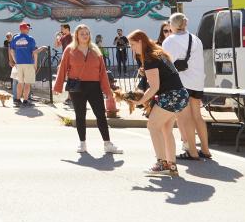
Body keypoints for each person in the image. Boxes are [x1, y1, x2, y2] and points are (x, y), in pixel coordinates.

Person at [54, 24, 121, 155]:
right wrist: (58, 86)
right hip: (76, 87)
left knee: (100, 115)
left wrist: (108, 92)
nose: (85, 35)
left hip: (94, 86)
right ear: (76, 35)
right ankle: (82, 143)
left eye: (87, 33)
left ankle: (107, 143)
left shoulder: (96, 50)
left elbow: (102, 73)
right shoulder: (70, 49)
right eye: (82, 33)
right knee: (80, 115)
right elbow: (62, 68)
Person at [130, 30, 188, 179]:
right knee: (165, 130)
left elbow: (154, 87)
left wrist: (139, 102)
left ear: (140, 42)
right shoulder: (158, 53)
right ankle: (172, 166)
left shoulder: (149, 58)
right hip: (179, 94)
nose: (132, 48)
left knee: (152, 126)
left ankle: (161, 164)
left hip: (170, 96)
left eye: (133, 44)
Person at [162, 13, 210, 162]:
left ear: (172, 25)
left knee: (185, 118)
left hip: (182, 83)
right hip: (197, 81)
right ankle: (205, 150)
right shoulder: (195, 39)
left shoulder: (170, 41)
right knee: (197, 116)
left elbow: (166, 63)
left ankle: (192, 152)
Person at [10, 22, 38, 105]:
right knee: (27, 83)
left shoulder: (15, 38)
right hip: (29, 63)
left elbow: (12, 51)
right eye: (28, 28)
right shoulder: (30, 39)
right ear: (25, 29)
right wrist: (35, 64)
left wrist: (15, 61)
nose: (28, 30)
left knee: (20, 82)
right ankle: (25, 100)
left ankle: (18, 100)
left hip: (19, 63)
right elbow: (34, 52)